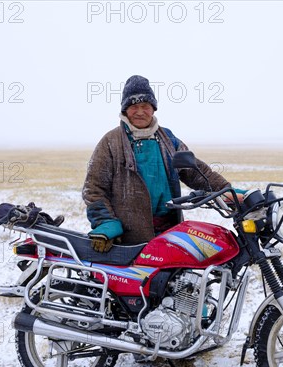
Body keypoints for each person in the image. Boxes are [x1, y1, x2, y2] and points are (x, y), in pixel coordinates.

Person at [82, 75, 236, 252]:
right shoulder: (111, 142)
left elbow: (197, 172)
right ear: (125, 110)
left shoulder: (168, 139)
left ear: (153, 109)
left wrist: (228, 191)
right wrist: (106, 223)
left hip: (170, 233)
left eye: (145, 106)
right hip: (129, 240)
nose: (140, 112)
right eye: (134, 106)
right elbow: (93, 189)